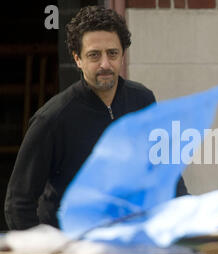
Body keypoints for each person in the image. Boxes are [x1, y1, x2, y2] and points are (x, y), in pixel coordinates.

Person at [4, 6, 187, 231]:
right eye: (94, 55)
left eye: (112, 53)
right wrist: (45, 253)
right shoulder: (52, 118)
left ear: (122, 54)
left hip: (133, 241)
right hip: (75, 252)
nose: (105, 64)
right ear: (77, 59)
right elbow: (18, 202)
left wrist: (185, 225)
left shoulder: (143, 100)